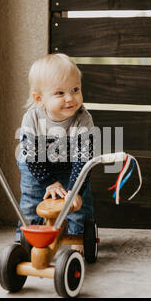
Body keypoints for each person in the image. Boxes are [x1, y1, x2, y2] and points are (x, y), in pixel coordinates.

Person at [16, 53, 94, 254]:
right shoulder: (32, 118)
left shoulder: (82, 119)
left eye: (75, 90)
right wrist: (48, 181)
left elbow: (83, 159)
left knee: (78, 204)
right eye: (60, 93)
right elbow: (33, 155)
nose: (70, 98)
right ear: (39, 99)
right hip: (35, 165)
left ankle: (78, 237)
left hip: (70, 165)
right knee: (31, 202)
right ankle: (25, 238)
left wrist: (74, 191)